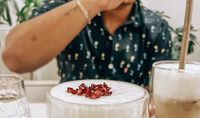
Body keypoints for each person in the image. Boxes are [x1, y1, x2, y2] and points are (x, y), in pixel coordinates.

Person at [2, 0, 172, 87]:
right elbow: (15, 58)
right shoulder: (67, 9)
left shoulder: (155, 26)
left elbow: (160, 93)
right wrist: (94, 2)